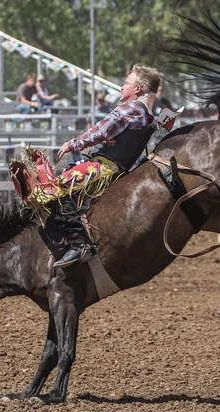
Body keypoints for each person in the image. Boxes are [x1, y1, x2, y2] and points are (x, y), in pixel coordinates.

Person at [52, 65, 160, 267]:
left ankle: (78, 244)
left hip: (105, 167)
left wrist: (72, 144)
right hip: (121, 170)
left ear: (137, 89)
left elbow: (101, 132)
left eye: (126, 83)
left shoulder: (129, 109)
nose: (121, 87)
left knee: (56, 189)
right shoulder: (147, 114)